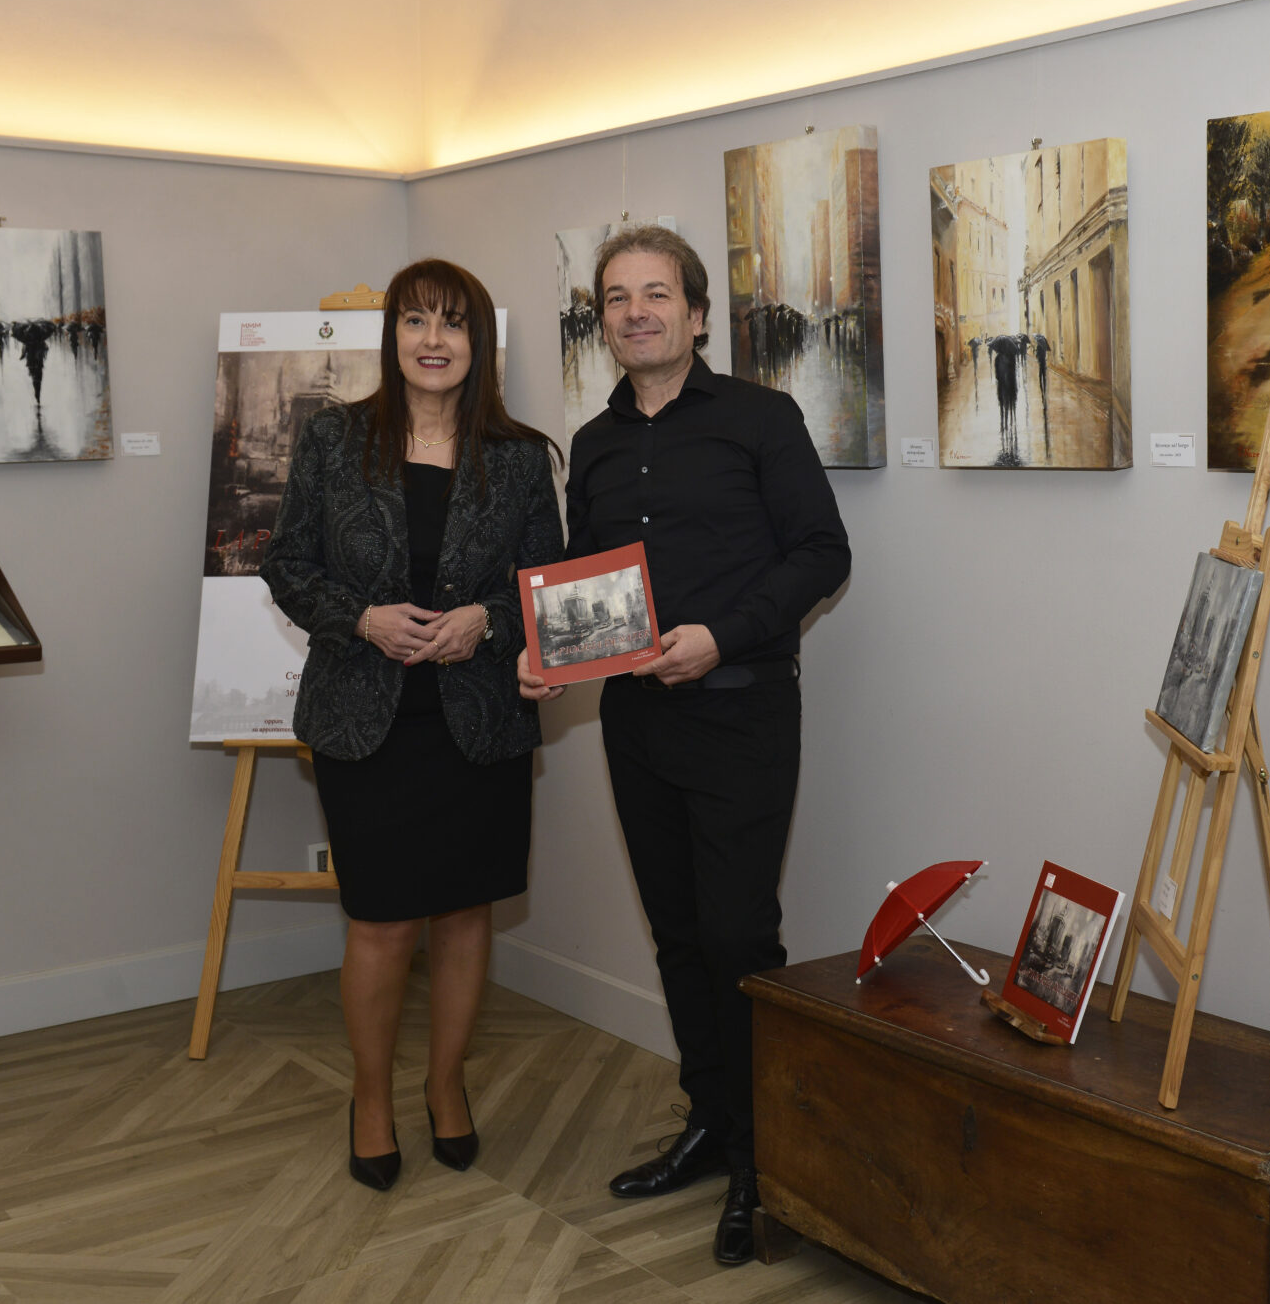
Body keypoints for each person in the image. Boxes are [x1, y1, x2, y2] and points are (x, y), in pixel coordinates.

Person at [519, 225, 850, 1265]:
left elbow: (821, 552)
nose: (635, 312)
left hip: (744, 710)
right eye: (615, 298)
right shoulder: (598, 442)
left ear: (697, 314)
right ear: (604, 322)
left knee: (737, 935)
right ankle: (709, 1122)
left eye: (654, 293)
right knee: (673, 932)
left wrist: (721, 635)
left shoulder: (762, 418)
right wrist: (548, 656)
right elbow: (584, 582)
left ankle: (764, 1163)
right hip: (636, 722)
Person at [262, 258, 563, 1192]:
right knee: (384, 923)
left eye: (454, 323)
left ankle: (445, 1086)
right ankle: (369, 1097)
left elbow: (543, 592)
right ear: (392, 337)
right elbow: (287, 565)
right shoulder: (333, 440)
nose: (434, 341)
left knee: (467, 915)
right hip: (365, 718)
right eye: (416, 322)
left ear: (480, 342)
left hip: (478, 719)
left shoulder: (518, 457)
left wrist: (487, 623)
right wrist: (362, 617)